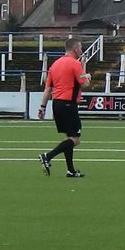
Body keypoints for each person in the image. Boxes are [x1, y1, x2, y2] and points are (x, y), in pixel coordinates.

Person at [37, 41, 90, 177]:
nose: (81, 50)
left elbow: (48, 88)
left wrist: (42, 107)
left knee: (69, 138)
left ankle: (70, 170)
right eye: (80, 48)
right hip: (68, 104)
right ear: (75, 48)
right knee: (75, 139)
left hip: (57, 104)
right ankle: (47, 156)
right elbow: (85, 84)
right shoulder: (75, 64)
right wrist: (87, 76)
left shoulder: (55, 65)